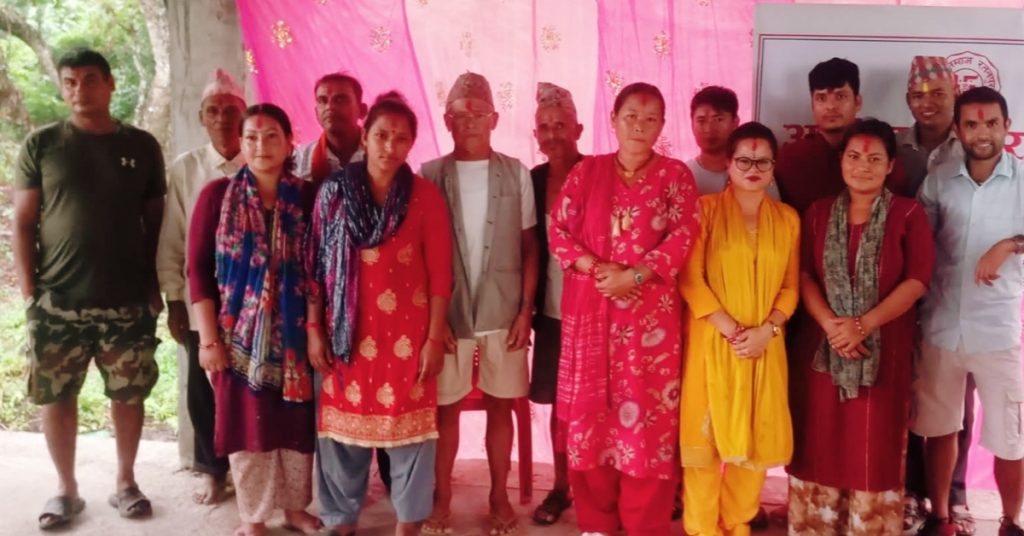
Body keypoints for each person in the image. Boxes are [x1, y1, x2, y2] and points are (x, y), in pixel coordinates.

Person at [14, 48, 165, 530]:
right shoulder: (41, 144)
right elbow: (23, 223)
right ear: (63, 87)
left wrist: (154, 289)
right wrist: (29, 295)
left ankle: (126, 482)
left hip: (127, 301)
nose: (80, 89)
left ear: (111, 83)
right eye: (71, 81)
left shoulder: (142, 146)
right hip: (58, 301)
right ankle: (66, 489)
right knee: (57, 396)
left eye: (91, 79)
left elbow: (156, 223)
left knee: (129, 395)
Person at [549, 82, 699, 536]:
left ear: (662, 126)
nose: (639, 126)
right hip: (591, 320)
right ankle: (596, 524)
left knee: (647, 427)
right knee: (591, 424)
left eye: (650, 119)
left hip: (649, 328)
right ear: (613, 120)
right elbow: (559, 233)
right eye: (631, 116)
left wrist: (634, 276)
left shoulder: (675, 176)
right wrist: (601, 271)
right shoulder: (586, 172)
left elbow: (684, 235)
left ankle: (644, 525)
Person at [306, 91, 453, 536]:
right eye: (382, 135)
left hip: (407, 339)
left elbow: (440, 276)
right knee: (339, 436)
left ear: (411, 144)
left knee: (413, 438)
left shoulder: (425, 197)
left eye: (401, 138)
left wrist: (433, 340)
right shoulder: (333, 194)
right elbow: (315, 268)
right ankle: (340, 522)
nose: (390, 146)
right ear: (365, 136)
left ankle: (408, 525)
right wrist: (314, 329)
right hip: (345, 336)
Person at [787, 119, 935, 535]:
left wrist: (863, 325)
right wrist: (831, 324)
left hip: (881, 352)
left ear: (890, 166)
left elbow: (917, 280)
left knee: (873, 449)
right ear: (841, 162)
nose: (862, 166)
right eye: (854, 156)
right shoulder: (817, 213)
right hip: (823, 349)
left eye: (874, 159)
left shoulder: (908, 214)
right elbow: (803, 276)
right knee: (819, 442)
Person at [188, 104, 322, 536]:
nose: (261, 146)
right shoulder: (216, 197)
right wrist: (209, 341)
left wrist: (315, 330)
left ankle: (295, 509)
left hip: (295, 336)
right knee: (248, 426)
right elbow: (197, 271)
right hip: (237, 339)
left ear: (289, 142)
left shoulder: (307, 196)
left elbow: (319, 269)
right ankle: (253, 518)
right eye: (251, 137)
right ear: (241, 144)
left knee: (295, 424)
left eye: (271, 136)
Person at [419, 71, 540, 536]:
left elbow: (530, 246)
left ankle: (499, 496)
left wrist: (526, 310)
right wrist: (434, 323)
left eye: (478, 113)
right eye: (459, 114)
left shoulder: (516, 173)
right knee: (445, 408)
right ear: (446, 120)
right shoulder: (429, 175)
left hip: (503, 311)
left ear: (495, 118)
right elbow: (419, 254)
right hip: (448, 313)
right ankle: (442, 498)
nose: (469, 121)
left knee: (500, 405)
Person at [914, 87, 1024, 536]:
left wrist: (1010, 245)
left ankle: (1011, 522)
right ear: (958, 130)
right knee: (940, 428)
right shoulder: (939, 179)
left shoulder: (1022, 181)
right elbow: (918, 239)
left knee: (1010, 437)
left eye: (992, 123)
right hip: (941, 326)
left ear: (1007, 127)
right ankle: (940, 516)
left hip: (997, 330)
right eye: (973, 124)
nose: (983, 133)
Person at [678, 122, 798, 536]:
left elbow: (791, 287)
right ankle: (702, 530)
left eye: (762, 162)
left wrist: (768, 330)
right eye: (744, 160)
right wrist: (733, 331)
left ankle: (737, 524)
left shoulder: (787, 219)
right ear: (728, 164)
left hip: (764, 346)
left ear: (773, 167)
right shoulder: (705, 211)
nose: (753, 169)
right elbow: (690, 280)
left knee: (753, 445)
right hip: (713, 343)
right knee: (705, 452)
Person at [156, 68, 246, 505]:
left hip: (253, 303)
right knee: (202, 388)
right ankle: (212, 471)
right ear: (201, 117)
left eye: (231, 110)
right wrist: (175, 299)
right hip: (200, 302)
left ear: (245, 114)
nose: (223, 118)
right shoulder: (186, 168)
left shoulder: (262, 161)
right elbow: (173, 237)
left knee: (250, 390)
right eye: (214, 110)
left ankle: (251, 475)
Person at [895, 56, 973, 536]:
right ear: (908, 100)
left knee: (958, 397)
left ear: (954, 96)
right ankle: (909, 492)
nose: (928, 103)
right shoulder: (894, 150)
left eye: (939, 94)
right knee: (906, 393)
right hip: (903, 291)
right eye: (919, 95)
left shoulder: (971, 148)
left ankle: (955, 496)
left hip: (956, 290)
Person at [528, 81, 583, 527]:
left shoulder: (598, 173)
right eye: (544, 127)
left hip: (595, 312)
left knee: (595, 403)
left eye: (560, 125)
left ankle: (596, 485)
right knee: (558, 406)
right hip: (549, 314)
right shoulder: (532, 180)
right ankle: (561, 485)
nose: (552, 135)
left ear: (578, 129)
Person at [775, 57, 911, 215]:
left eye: (840, 96)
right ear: (812, 106)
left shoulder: (883, 155)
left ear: (857, 102)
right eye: (821, 98)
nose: (831, 106)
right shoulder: (791, 159)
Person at [686, 85, 779, 199]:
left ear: (735, 122)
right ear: (691, 124)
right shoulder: (682, 174)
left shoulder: (755, 172)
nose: (708, 128)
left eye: (719, 119)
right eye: (701, 120)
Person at [293, 72, 368, 187]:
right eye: (322, 101)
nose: (329, 107)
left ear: (362, 110)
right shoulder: (300, 161)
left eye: (340, 100)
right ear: (316, 113)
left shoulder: (381, 155)